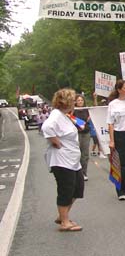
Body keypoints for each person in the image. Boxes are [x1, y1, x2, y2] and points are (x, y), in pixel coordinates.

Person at [42, 88, 84, 232]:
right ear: (65, 102)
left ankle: (62, 215)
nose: (74, 102)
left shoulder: (65, 115)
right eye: (72, 100)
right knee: (66, 190)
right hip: (61, 160)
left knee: (78, 188)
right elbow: (46, 128)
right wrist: (56, 142)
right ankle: (64, 222)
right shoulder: (56, 115)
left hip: (72, 160)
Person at [73, 94, 91, 181]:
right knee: (77, 153)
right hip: (77, 133)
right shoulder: (73, 111)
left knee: (85, 154)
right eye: (78, 100)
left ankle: (84, 172)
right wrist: (81, 123)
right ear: (75, 101)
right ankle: (77, 172)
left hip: (86, 133)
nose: (80, 102)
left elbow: (96, 109)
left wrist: (94, 98)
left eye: (81, 100)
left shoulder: (87, 110)